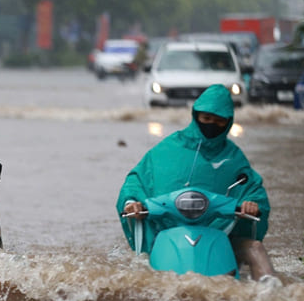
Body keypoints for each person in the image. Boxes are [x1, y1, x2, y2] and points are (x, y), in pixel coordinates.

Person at [117, 84, 279, 283]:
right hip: (165, 231)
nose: (212, 125)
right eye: (207, 119)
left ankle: (271, 294)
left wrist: (251, 204)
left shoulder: (234, 158)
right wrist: (132, 202)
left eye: (219, 121)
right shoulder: (167, 149)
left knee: (255, 248)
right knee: (139, 272)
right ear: (196, 116)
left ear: (228, 123)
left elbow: (253, 189)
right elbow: (136, 180)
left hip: (223, 235)